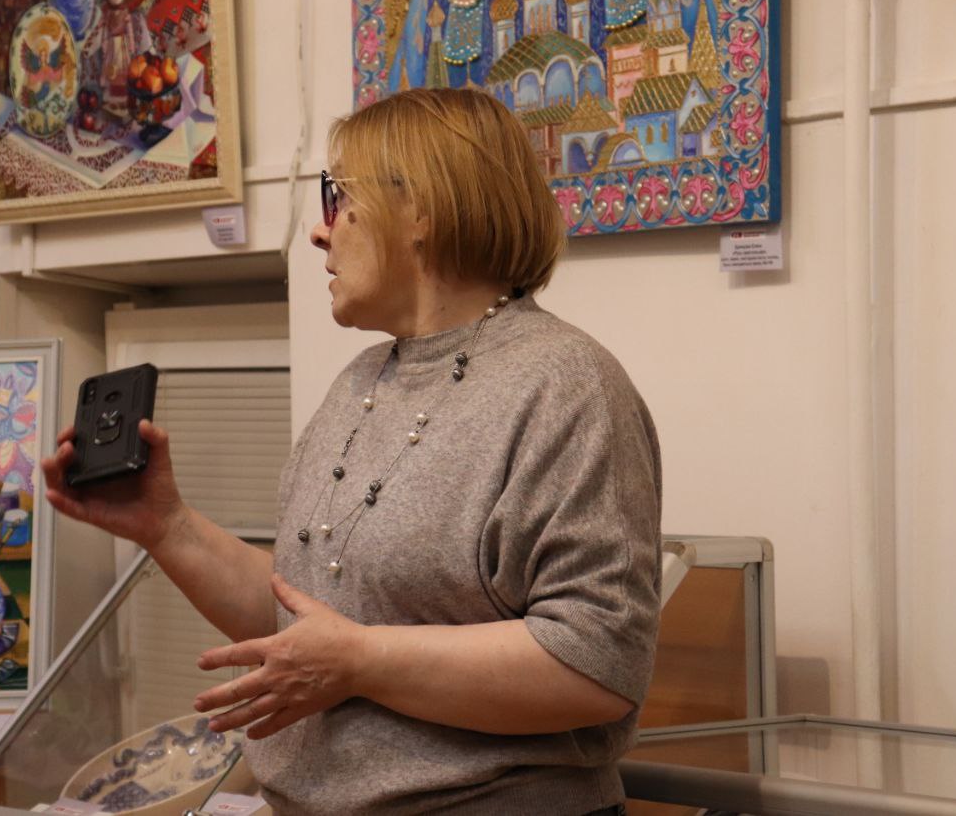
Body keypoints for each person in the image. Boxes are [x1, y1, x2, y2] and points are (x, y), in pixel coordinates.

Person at [43, 87, 662, 815]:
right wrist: (166, 525)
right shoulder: (362, 379)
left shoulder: (568, 384)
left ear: (421, 207)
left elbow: (598, 665)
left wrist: (362, 661)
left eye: (338, 198)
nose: (318, 231)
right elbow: (306, 617)